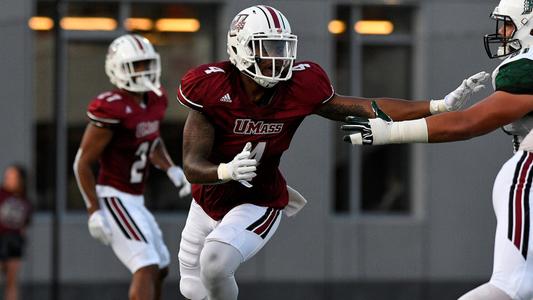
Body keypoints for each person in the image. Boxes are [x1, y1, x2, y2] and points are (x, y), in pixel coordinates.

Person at [175, 5, 489, 300]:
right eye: (266, 48)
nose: (278, 58)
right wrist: (226, 171)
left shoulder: (300, 84)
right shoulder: (211, 87)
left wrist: (438, 105)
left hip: (259, 200)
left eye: (281, 48)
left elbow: (369, 107)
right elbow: (192, 165)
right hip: (206, 199)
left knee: (215, 264)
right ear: (238, 48)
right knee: (191, 287)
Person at [342, 0, 533, 299]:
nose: (503, 33)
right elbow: (469, 121)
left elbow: (468, 122)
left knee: (513, 287)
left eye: (509, 24)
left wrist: (392, 131)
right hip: (527, 171)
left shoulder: (525, 69)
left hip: (528, 175)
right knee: (514, 287)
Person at [73, 34, 191, 300]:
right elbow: (82, 162)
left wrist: (171, 169)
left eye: (147, 63)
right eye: (136, 65)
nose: (144, 70)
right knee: (146, 264)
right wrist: (93, 210)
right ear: (117, 68)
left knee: (161, 266)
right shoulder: (111, 108)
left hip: (136, 199)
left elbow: (151, 140)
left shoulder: (156, 99)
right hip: (113, 196)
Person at [0, 165, 32, 300]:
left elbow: (26, 222)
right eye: (7, 176)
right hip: (0, 237)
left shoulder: (24, 198)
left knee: (12, 281)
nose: (8, 179)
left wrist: (21, 237)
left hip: (14, 240)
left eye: (12, 176)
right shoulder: (1, 194)